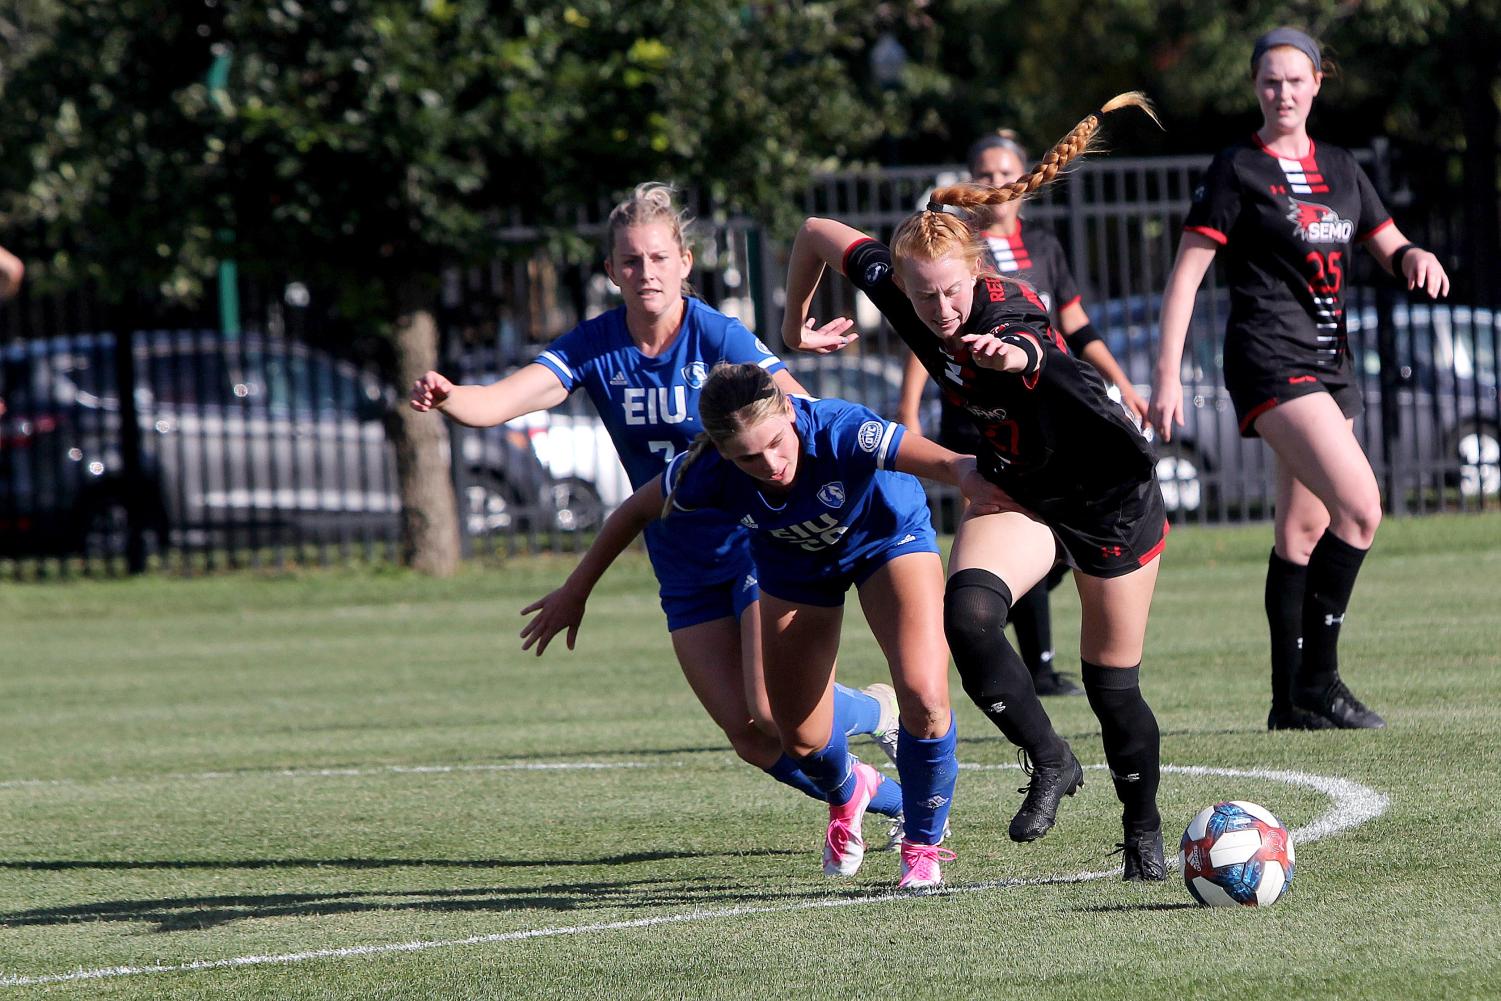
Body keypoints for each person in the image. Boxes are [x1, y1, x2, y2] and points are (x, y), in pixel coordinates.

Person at [411, 183, 903, 829]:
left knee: (769, 705)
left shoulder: (717, 334)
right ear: (612, 270)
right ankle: (881, 794)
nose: (646, 272)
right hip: (680, 557)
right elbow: (496, 401)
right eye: (631, 260)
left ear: (684, 262)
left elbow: (795, 410)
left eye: (658, 257)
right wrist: (449, 394)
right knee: (750, 736)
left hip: (758, 542)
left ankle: (873, 712)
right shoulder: (595, 345)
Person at [782, 93, 1171, 880]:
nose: (942, 309)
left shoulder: (1009, 308)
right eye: (924, 298)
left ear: (976, 272)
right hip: (1022, 490)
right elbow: (815, 233)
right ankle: (1050, 758)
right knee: (968, 616)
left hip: (1109, 496)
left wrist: (1014, 357)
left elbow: (1030, 344)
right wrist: (794, 324)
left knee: (1111, 683)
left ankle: (1141, 829)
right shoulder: (904, 287)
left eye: (953, 293)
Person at [522, 362, 994, 888]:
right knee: (801, 738)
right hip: (796, 569)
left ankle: (922, 849)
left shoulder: (841, 429)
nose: (770, 463)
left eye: (776, 443)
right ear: (723, 453)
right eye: (748, 456)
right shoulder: (706, 471)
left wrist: (976, 476)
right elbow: (635, 510)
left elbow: (952, 464)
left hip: (887, 543)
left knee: (925, 694)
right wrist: (576, 590)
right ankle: (849, 793)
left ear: (789, 411)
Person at [1148, 28, 1450, 732]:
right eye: (1268, 82)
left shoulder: (1341, 167)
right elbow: (1185, 275)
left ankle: (1288, 701)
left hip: (1330, 362)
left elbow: (1386, 240)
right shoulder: (1236, 168)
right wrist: (1166, 375)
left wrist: (1412, 256)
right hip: (1268, 357)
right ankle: (1321, 680)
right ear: (1255, 88)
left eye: (1294, 80)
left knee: (1303, 529)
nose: (1281, 93)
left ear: (1317, 83)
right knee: (1361, 507)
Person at [898, 128, 1150, 700]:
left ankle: (1031, 656)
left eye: (1002, 172)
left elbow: (1074, 328)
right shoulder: (948, 246)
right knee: (1003, 522)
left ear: (1023, 180)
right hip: (976, 413)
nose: (993, 184)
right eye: (982, 174)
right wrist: (909, 406)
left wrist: (1123, 384)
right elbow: (927, 337)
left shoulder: (1043, 245)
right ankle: (1030, 665)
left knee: (1044, 543)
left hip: (1039, 406)